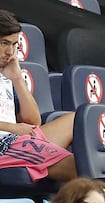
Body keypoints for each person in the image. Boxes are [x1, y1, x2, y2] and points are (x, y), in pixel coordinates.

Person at [0, 9, 76, 182]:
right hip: (3, 144)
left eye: (14, 45)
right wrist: (13, 128)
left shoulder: (6, 72)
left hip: (15, 138)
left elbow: (33, 122)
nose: (10, 52)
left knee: (77, 119)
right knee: (76, 166)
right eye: (4, 43)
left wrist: (18, 79)